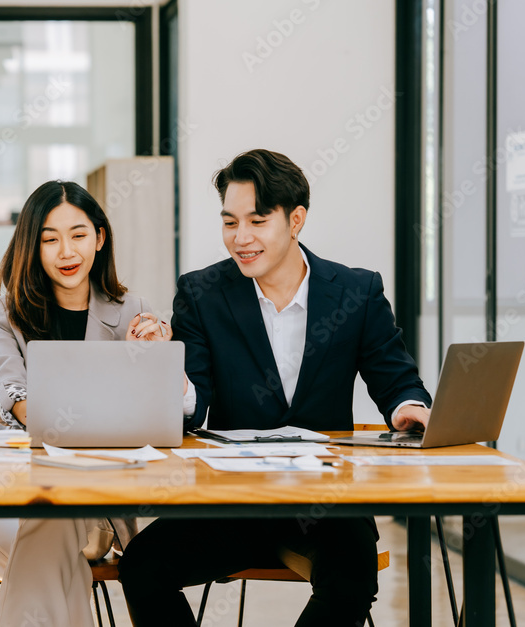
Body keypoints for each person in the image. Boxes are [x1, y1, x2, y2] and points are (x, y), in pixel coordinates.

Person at [117, 149, 433, 627]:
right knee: (141, 565)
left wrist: (409, 408)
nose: (240, 239)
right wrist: (169, 369)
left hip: (324, 502)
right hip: (230, 502)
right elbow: (193, 406)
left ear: (296, 220)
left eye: (257, 221)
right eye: (229, 223)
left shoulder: (355, 291)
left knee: (351, 571)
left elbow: (397, 378)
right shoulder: (202, 294)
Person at [0, 180, 176, 627]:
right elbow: (4, 392)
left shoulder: (132, 312)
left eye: (79, 235)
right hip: (7, 501)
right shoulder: (4, 312)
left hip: (95, 508)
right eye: (49, 239)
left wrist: (153, 360)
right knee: (50, 535)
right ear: (32, 245)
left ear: (100, 238)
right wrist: (43, 410)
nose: (66, 251)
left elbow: (165, 413)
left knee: (55, 526)